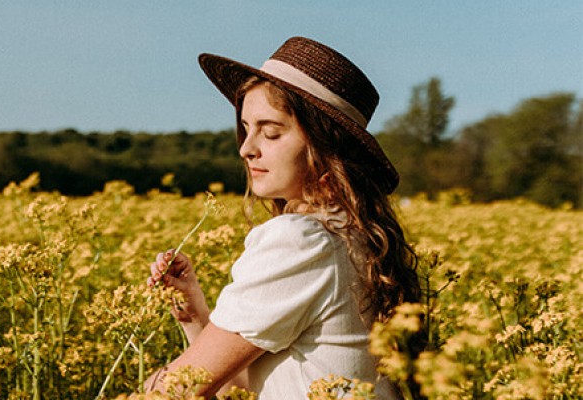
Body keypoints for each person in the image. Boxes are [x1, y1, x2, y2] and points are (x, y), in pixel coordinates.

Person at [144, 37, 421, 399]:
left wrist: (145, 385)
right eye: (247, 128)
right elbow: (257, 383)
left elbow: (179, 388)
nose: (246, 148)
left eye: (271, 132)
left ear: (325, 145)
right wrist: (196, 318)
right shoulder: (354, 232)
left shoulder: (301, 239)